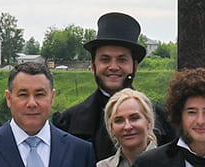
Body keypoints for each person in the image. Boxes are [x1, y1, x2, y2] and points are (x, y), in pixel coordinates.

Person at [56, 12, 169, 158]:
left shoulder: (164, 121)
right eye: (105, 59)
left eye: (122, 60)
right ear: (93, 66)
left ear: (135, 67)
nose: (113, 67)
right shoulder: (67, 123)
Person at [97, 87, 159, 167]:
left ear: (149, 122)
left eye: (134, 118)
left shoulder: (171, 165)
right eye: (119, 120)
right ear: (111, 128)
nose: (127, 126)